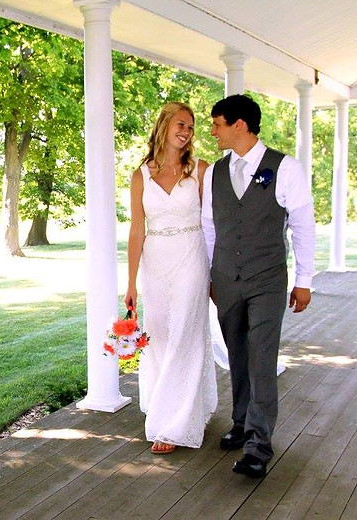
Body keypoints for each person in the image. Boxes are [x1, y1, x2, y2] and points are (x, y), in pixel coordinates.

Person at [202, 94, 316, 478]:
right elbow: (209, 227)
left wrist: (304, 280)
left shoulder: (285, 168)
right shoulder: (214, 172)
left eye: (217, 123)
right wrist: (208, 275)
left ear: (240, 125)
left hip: (267, 279)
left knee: (261, 358)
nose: (213, 131)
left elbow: (302, 226)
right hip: (226, 281)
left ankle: (258, 445)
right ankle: (240, 422)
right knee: (237, 354)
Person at [124, 101, 218, 455]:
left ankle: (173, 424)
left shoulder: (200, 171)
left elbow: (212, 225)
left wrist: (216, 271)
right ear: (164, 125)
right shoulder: (140, 175)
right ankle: (184, 403)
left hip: (191, 258)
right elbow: (136, 231)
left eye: (191, 128)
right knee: (161, 336)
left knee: (184, 335)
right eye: (181, 124)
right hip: (155, 262)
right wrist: (131, 282)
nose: (186, 132)